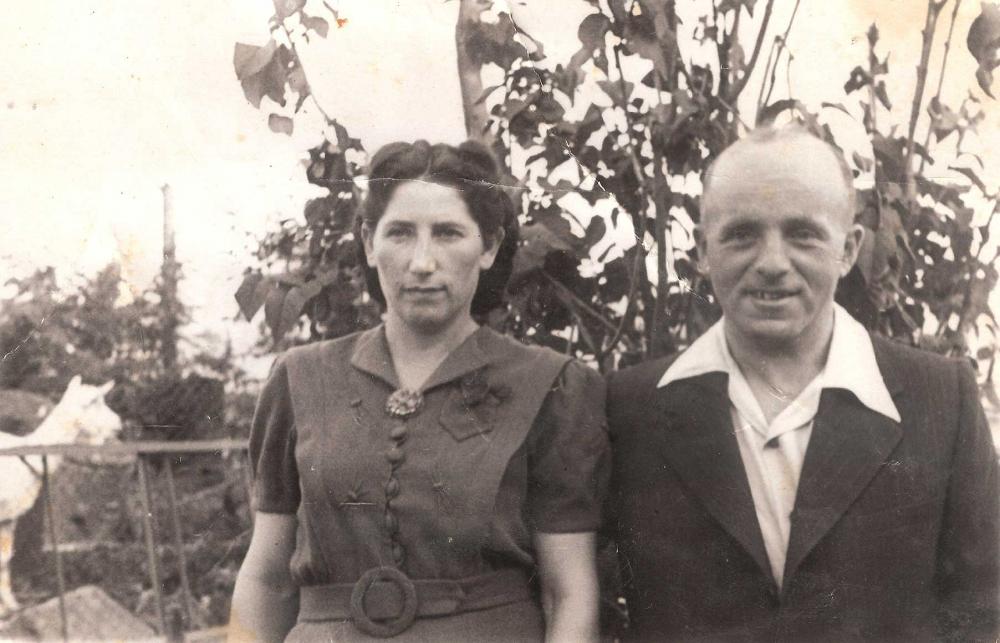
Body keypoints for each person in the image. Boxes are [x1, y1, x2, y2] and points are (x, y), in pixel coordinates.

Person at [606, 126, 999, 641]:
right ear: (703, 250)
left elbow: (985, 605)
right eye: (742, 233)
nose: (772, 264)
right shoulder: (629, 408)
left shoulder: (940, 398)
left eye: (803, 234)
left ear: (849, 248)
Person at [230, 140, 609, 642]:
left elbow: (569, 593)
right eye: (401, 234)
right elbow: (267, 578)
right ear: (369, 242)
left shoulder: (550, 385)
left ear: (490, 246)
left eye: (449, 233)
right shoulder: (301, 378)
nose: (423, 262)